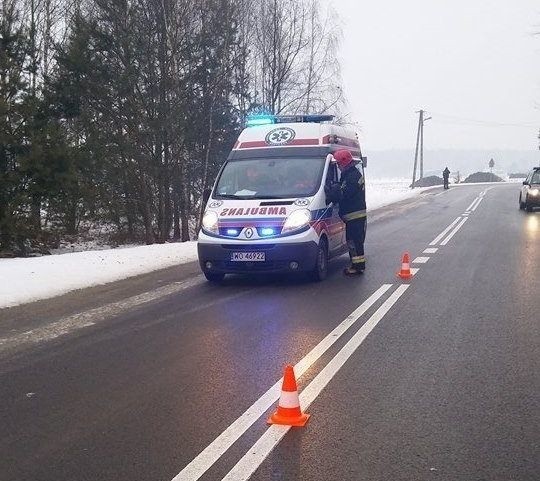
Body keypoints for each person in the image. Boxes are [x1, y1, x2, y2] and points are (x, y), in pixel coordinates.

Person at [325, 149, 367, 276]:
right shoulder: (352, 174)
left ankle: (357, 266)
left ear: (344, 163)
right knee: (355, 241)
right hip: (356, 214)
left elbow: (343, 193)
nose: (337, 166)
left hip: (354, 215)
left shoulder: (351, 177)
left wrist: (332, 192)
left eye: (338, 164)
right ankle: (357, 264)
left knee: (353, 241)